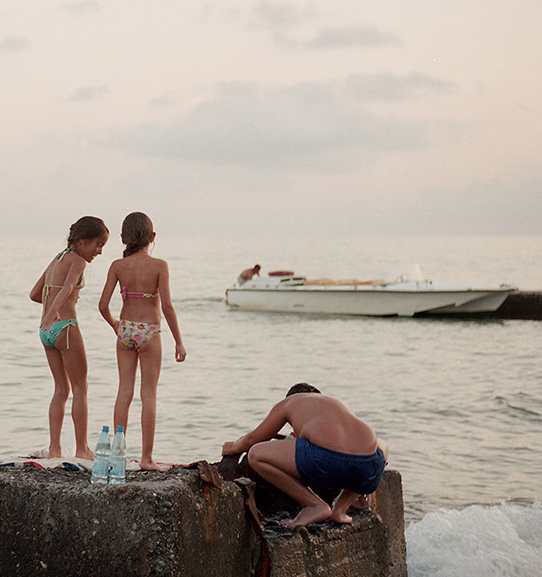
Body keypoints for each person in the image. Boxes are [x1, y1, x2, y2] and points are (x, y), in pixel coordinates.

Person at [221, 383, 388, 529]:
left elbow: (253, 439)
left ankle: (313, 505)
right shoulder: (335, 404)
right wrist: (364, 487)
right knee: (380, 445)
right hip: (370, 469)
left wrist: (233, 447)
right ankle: (341, 507)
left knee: (257, 454)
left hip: (326, 461)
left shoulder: (289, 403)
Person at [96, 212, 187, 471]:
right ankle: (147, 458)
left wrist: (115, 324)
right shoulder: (160, 265)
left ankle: (118, 456)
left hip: (125, 330)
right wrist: (179, 341)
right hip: (149, 332)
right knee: (149, 395)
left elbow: (102, 305)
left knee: (124, 391)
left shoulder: (117, 266)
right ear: (153, 237)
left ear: (123, 238)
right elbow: (167, 307)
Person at [29, 216, 108, 460]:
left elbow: (34, 294)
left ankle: (55, 449)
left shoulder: (57, 259)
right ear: (82, 241)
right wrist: (57, 308)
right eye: (98, 244)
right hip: (65, 326)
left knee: (60, 389)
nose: (100, 251)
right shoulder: (78, 261)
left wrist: (54, 306)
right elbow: (67, 286)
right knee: (80, 387)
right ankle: (82, 449)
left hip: (46, 332)